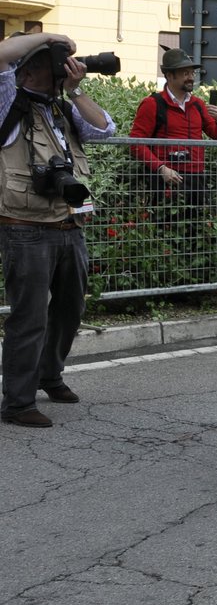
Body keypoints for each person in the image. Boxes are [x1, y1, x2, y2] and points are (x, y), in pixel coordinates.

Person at [0, 33, 116, 428]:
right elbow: (0, 57)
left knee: (69, 310)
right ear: (29, 68)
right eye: (54, 62)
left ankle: (51, 376)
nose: (61, 68)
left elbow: (105, 130)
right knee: (29, 317)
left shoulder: (62, 108)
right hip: (26, 228)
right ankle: (17, 402)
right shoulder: (7, 104)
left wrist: (76, 89)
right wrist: (46, 37)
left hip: (70, 225)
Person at [131, 48, 217, 200]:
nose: (191, 77)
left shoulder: (198, 104)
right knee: (165, 223)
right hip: (167, 177)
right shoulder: (152, 104)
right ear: (169, 75)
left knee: (195, 223)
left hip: (196, 177)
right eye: (185, 73)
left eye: (192, 73)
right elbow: (135, 143)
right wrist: (161, 168)